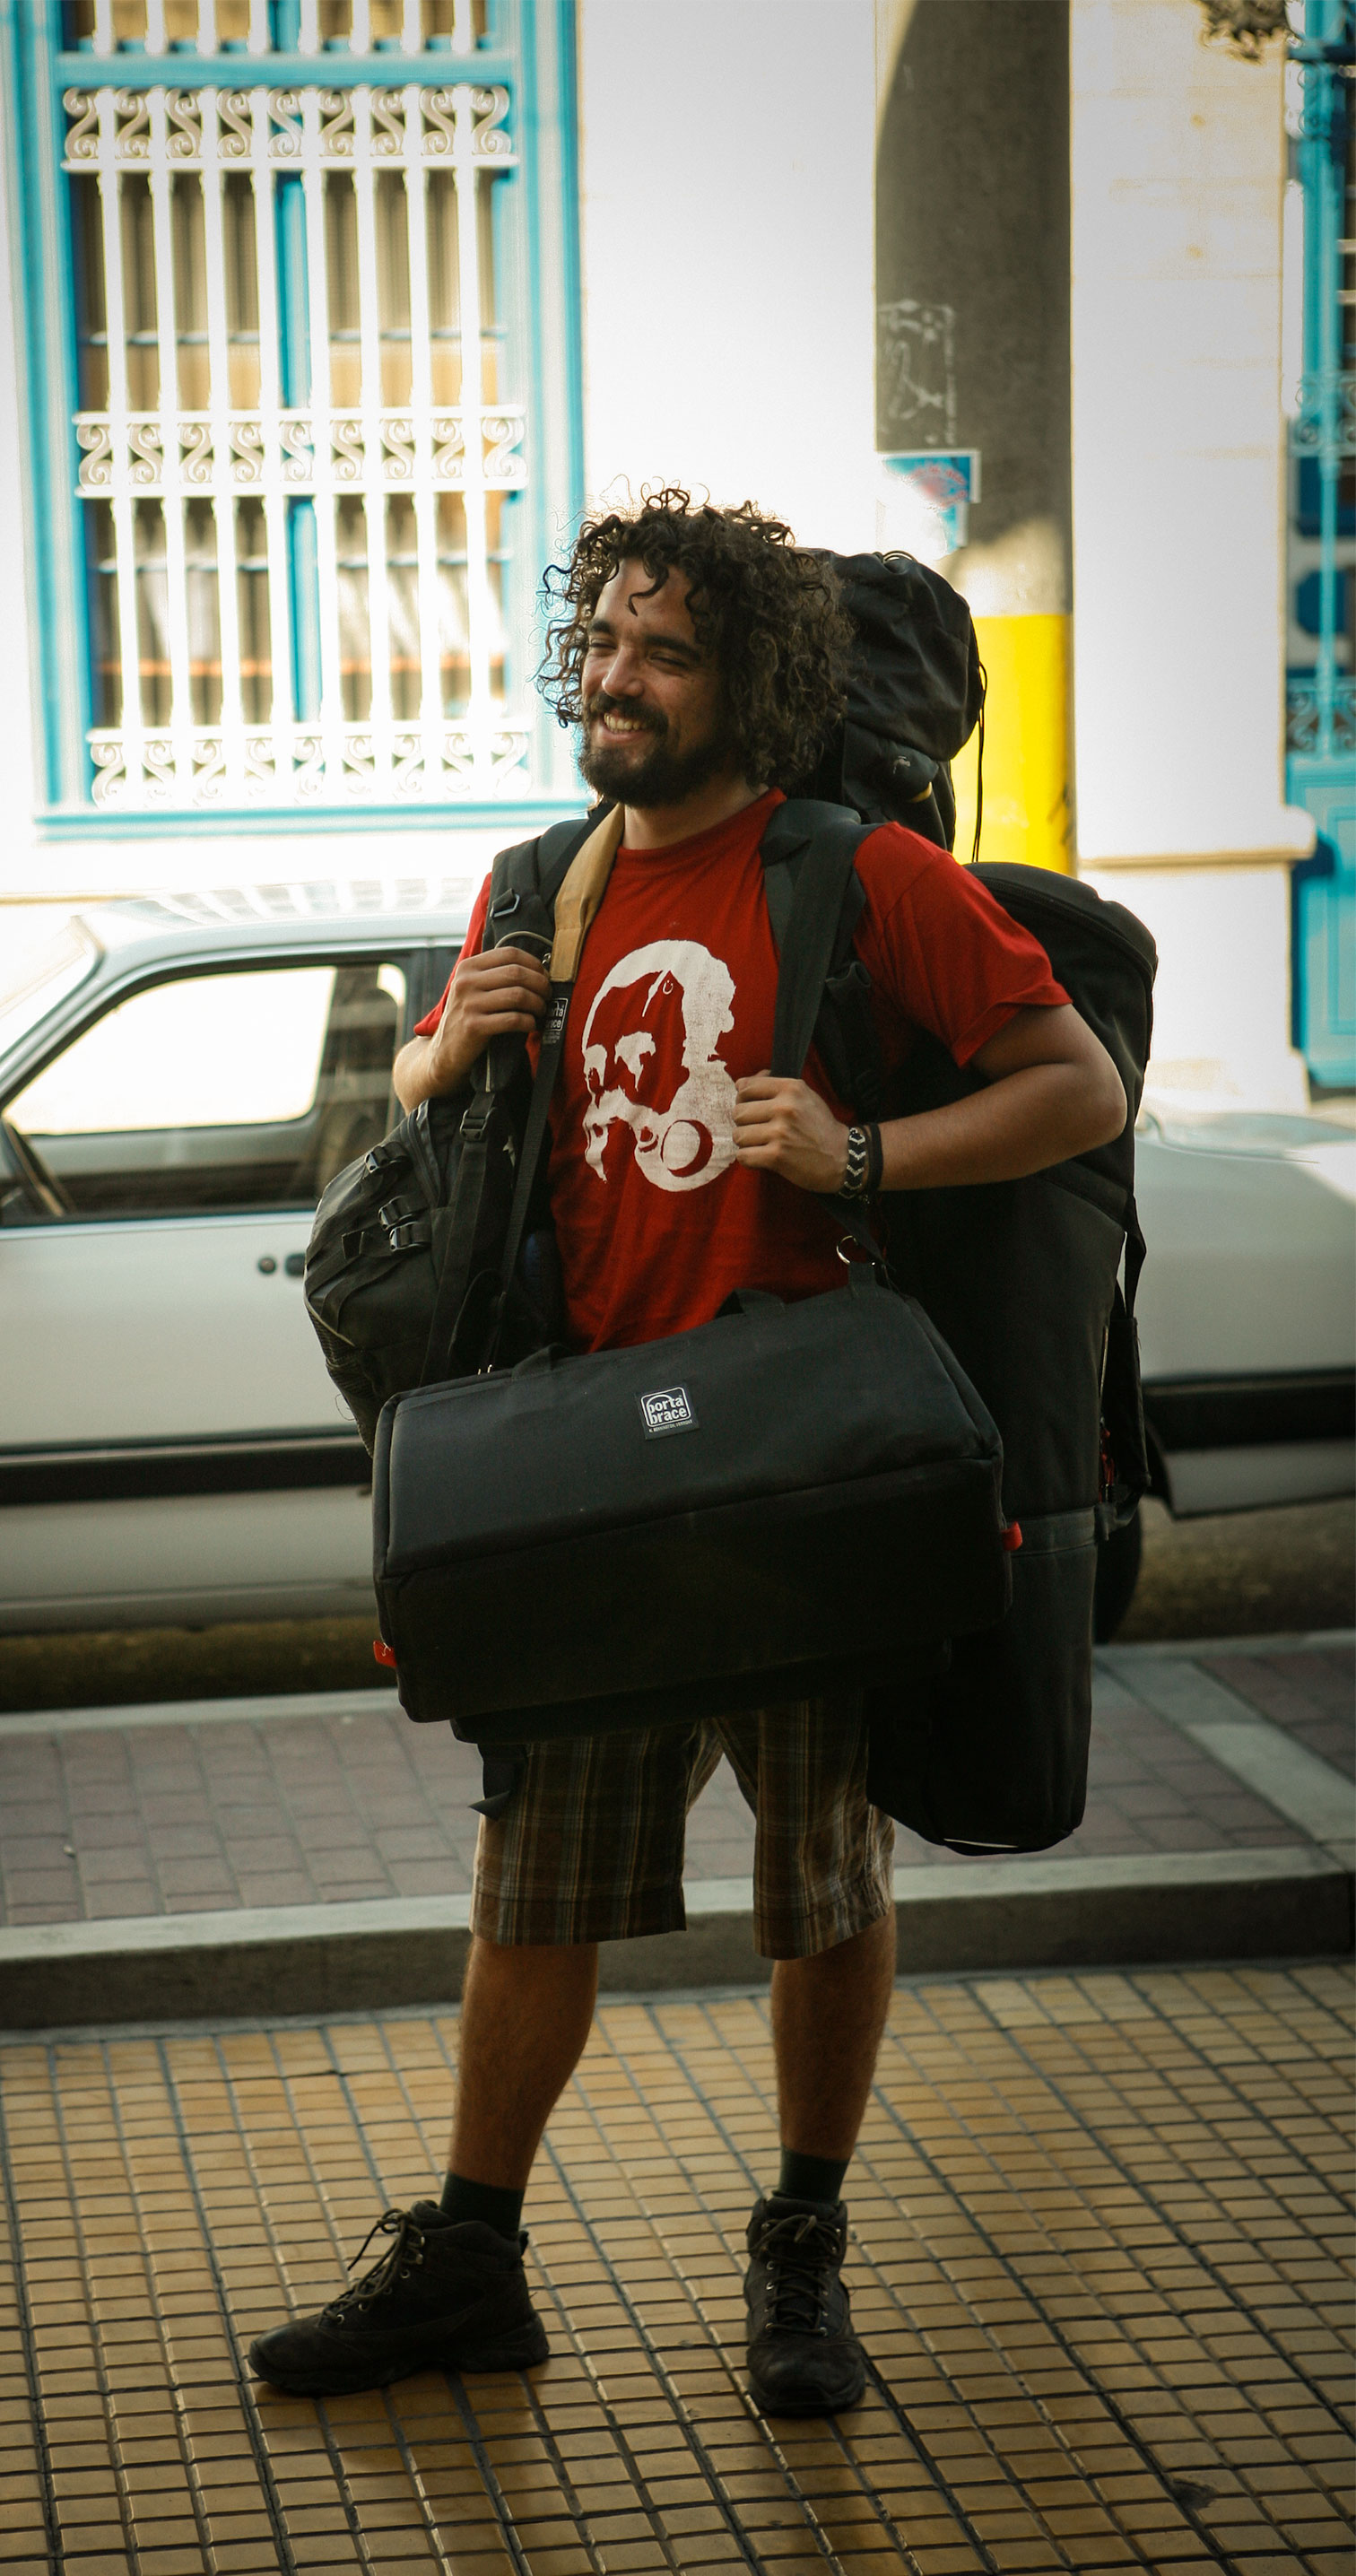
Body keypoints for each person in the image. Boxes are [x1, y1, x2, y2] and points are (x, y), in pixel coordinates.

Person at [249, 493, 1127, 2415]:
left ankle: (801, 2251)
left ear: (756, 682)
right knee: (532, 1891)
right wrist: (433, 1055)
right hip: (579, 1474)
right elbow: (425, 1134)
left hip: (793, 1470)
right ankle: (474, 2257)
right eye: (599, 644)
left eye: (661, 652)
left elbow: (1080, 1087)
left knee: (819, 1884)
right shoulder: (534, 880)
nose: (613, 680)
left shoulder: (861, 875)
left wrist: (866, 1154)